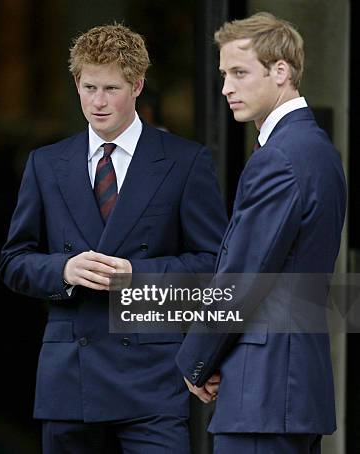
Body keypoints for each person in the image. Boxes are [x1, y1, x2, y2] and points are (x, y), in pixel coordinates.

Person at [0, 24, 227, 453]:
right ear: (76, 84)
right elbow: (13, 261)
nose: (98, 102)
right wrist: (63, 269)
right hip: (70, 381)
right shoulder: (46, 164)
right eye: (88, 87)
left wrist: (136, 274)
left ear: (137, 85)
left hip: (153, 381)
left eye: (111, 88)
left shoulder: (185, 161)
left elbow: (213, 265)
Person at [176, 12, 347, 454]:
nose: (225, 88)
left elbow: (242, 277)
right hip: (290, 390)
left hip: (263, 390)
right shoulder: (318, 150)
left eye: (239, 72)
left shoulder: (281, 158)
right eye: (223, 74)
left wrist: (195, 363)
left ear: (281, 71)